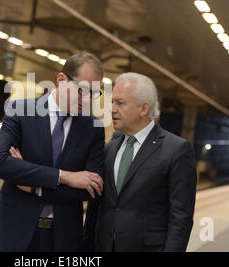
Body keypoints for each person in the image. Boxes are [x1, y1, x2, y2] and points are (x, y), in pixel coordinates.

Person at [0, 51, 106, 252]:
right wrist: (65, 177)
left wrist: (34, 187)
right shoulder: (20, 110)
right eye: (82, 90)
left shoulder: (93, 128)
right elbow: (3, 164)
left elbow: (90, 189)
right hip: (14, 232)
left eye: (94, 93)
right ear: (61, 79)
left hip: (63, 239)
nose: (88, 99)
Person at [83, 72, 197, 252]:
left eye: (120, 103)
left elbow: (180, 219)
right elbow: (95, 208)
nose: (112, 109)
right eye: (112, 102)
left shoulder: (176, 150)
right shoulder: (109, 149)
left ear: (144, 109)